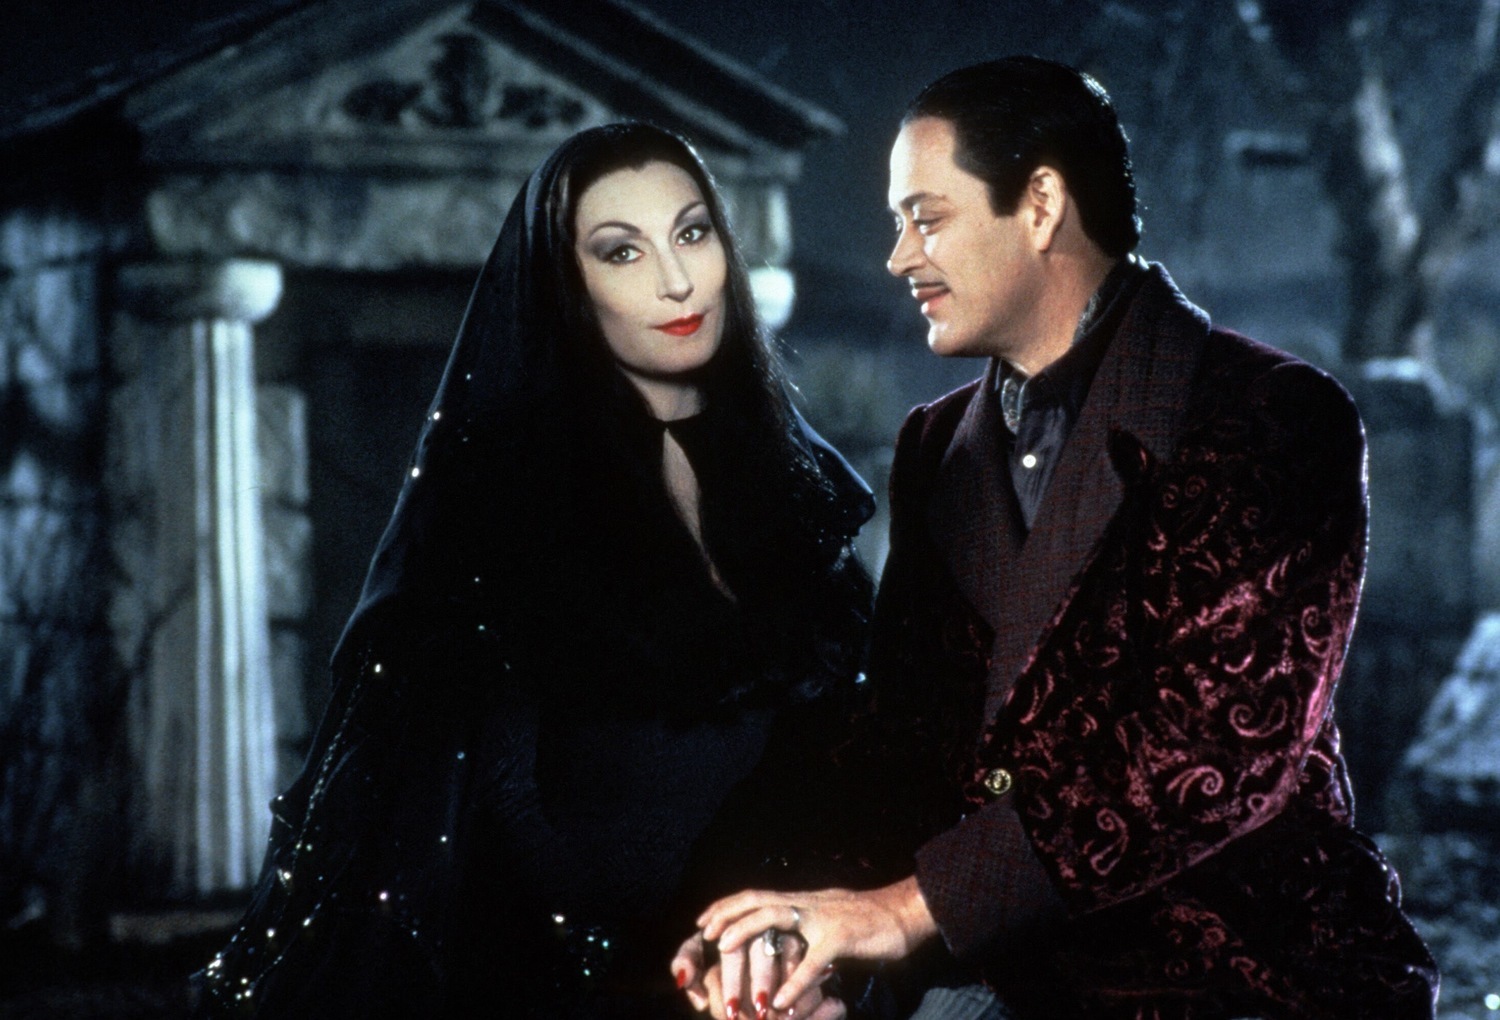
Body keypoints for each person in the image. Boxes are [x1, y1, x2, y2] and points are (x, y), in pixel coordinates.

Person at [684, 57, 1439, 1020]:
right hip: (994, 970)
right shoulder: (933, 446)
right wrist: (800, 938)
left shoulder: (1273, 417)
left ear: (1040, 205)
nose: (898, 257)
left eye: (926, 217)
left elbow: (1209, 747)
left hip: (1237, 973)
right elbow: (901, 740)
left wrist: (905, 912)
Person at [193, 122, 873, 1019]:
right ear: (566, 285)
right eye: (621, 251)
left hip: (794, 965)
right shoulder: (505, 511)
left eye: (692, 232)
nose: (677, 280)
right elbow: (488, 822)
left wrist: (794, 945)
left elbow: (850, 760)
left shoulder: (801, 491)